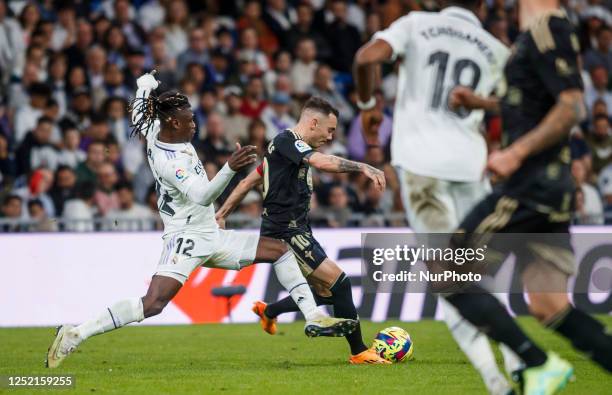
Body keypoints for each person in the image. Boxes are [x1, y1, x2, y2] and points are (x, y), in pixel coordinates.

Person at [46, 73, 357, 369]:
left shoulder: (155, 130)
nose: (194, 124)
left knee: (280, 249)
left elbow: (139, 112)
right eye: (189, 120)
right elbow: (202, 196)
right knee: (153, 304)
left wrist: (145, 83)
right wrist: (230, 168)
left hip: (211, 232)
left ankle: (314, 315)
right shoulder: (173, 163)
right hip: (186, 238)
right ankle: (77, 334)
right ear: (173, 122)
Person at [388, 1, 612, 393]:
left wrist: (515, 153)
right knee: (547, 304)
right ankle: (540, 363)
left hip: (529, 186)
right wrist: (482, 103)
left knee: (445, 273)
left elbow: (571, 104)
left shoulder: (547, 27)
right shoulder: (529, 38)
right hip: (550, 190)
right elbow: (535, 101)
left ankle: (536, 362)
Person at [353, 1, 520, 393]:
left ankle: (496, 380)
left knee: (445, 276)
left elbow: (366, 58)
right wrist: (480, 104)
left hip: (421, 163)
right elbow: (521, 105)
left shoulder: (417, 24)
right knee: (478, 271)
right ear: (482, 5)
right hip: (470, 165)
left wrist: (367, 105)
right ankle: (517, 359)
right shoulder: (495, 48)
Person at [216, 97, 389, 364]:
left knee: (325, 291)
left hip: (297, 229)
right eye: (329, 130)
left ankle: (269, 311)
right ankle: (359, 352)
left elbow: (251, 180)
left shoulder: (282, 153)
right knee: (340, 282)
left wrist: (222, 213)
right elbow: (322, 162)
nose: (331, 136)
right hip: (285, 231)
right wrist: (362, 166)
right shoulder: (288, 141)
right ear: (313, 122)